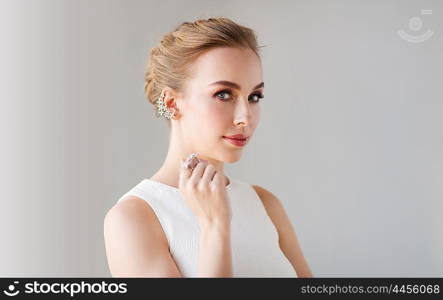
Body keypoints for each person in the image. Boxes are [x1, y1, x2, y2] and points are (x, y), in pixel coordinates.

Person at [103, 17, 313, 278]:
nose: (245, 117)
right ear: (171, 103)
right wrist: (214, 226)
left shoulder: (264, 203)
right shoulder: (134, 217)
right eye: (223, 94)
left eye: (254, 96)